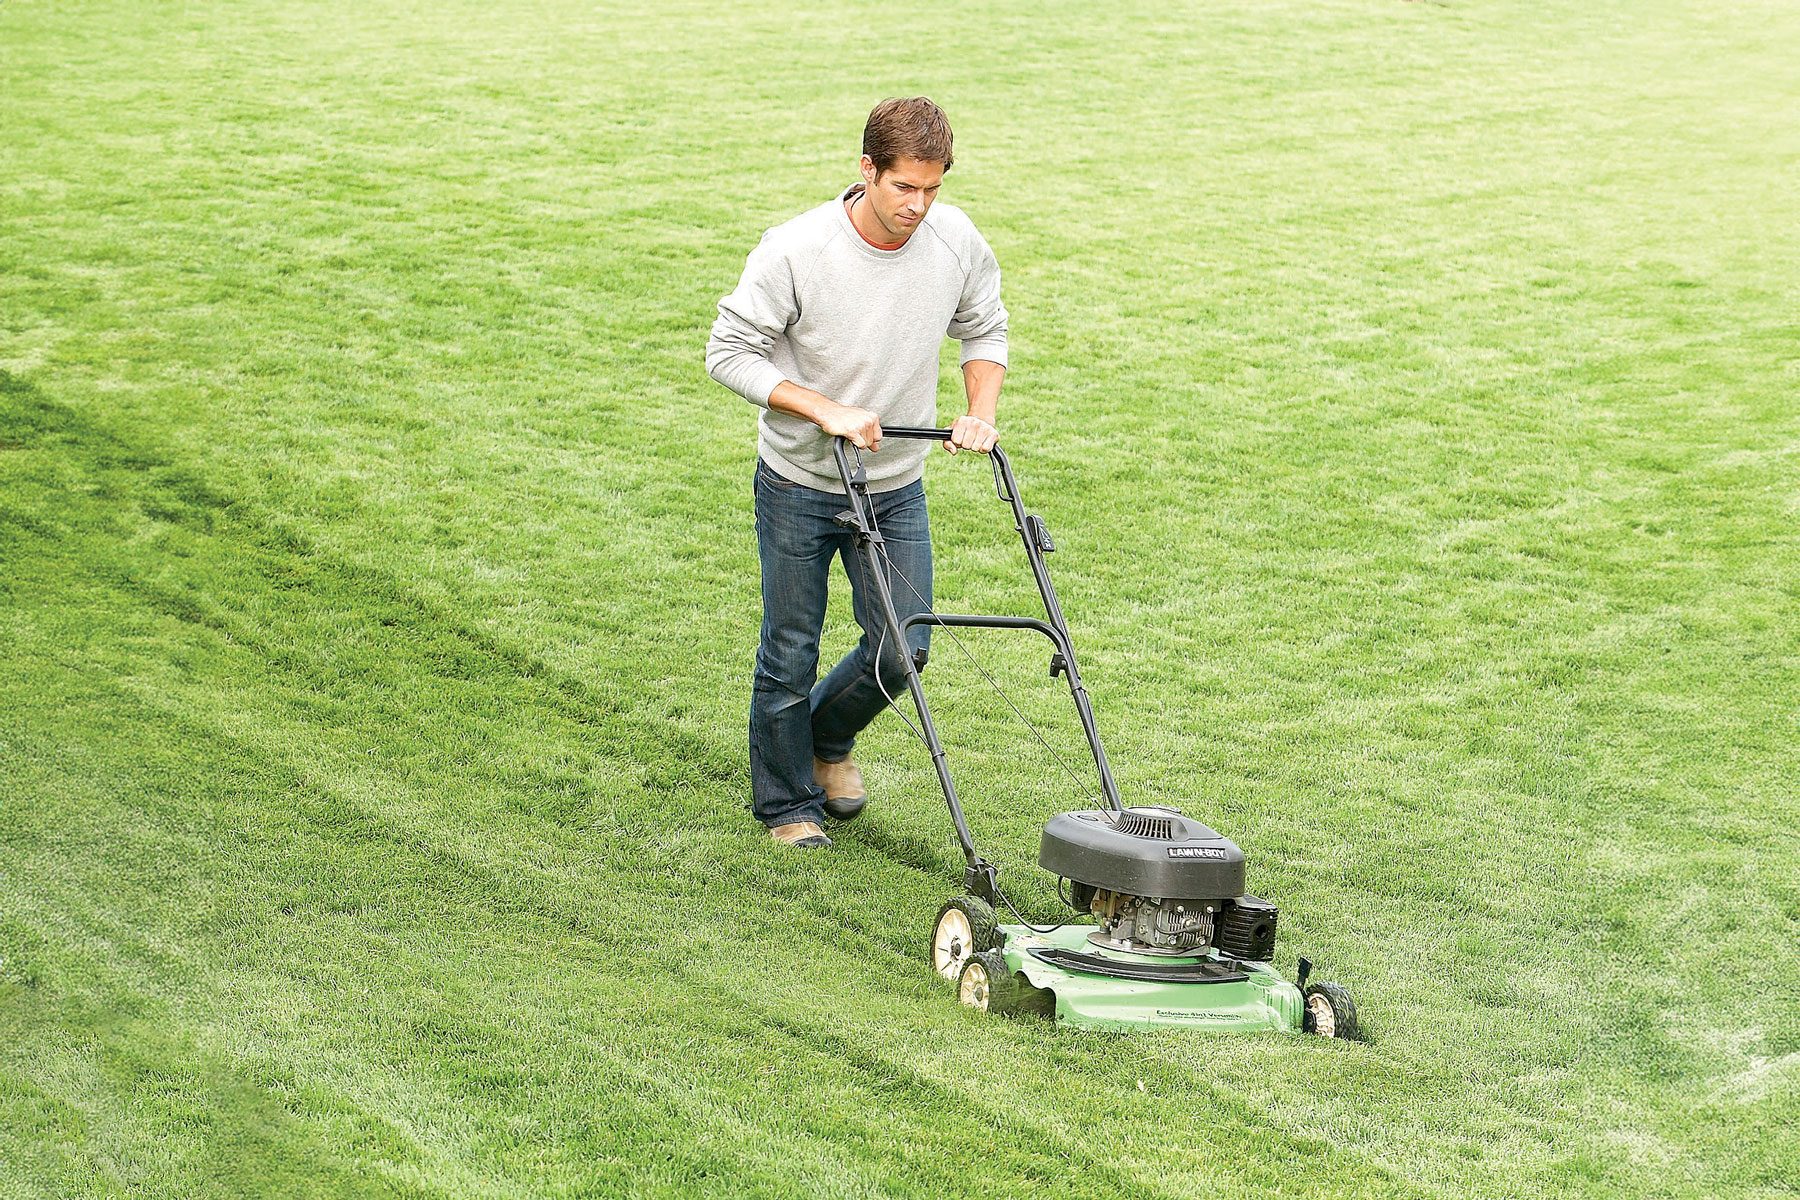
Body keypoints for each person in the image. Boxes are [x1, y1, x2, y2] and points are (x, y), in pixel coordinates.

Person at [705, 96, 1008, 849]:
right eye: (906, 187)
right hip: (799, 482)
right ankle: (786, 805)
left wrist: (979, 409)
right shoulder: (796, 250)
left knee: (906, 647)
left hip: (896, 483)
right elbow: (728, 352)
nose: (920, 205)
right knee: (790, 650)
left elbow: (984, 326)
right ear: (867, 170)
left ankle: (821, 741)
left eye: (933, 188)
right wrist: (824, 409)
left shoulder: (954, 239)